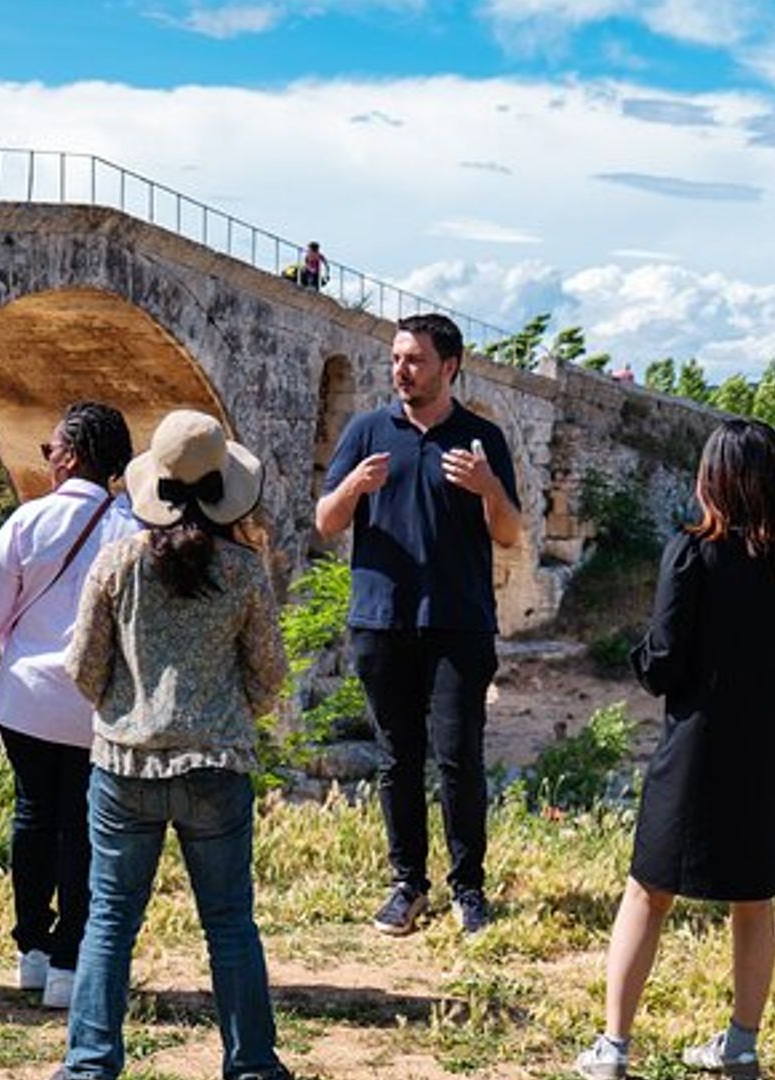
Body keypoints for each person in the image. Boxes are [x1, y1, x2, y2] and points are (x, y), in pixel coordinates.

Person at [574, 418, 775, 1080]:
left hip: (695, 752)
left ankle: (613, 1049)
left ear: (711, 480)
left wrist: (639, 650)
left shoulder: (691, 554)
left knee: (647, 892)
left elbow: (664, 665)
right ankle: (742, 1045)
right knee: (755, 899)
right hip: (773, 752)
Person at [55, 409, 292, 1080]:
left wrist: (123, 709)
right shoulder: (247, 571)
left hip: (124, 765)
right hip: (216, 765)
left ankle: (90, 1063)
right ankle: (251, 1064)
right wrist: (227, 713)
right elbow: (270, 674)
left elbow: (82, 667)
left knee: (109, 922)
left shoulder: (116, 562)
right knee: (229, 924)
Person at [315, 312, 522, 937]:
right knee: (397, 758)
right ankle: (408, 885)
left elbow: (510, 533)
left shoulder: (482, 437)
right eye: (397, 359)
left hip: (459, 623)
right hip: (381, 620)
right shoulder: (366, 430)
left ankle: (470, 888)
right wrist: (353, 484)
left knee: (460, 756)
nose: (401, 370)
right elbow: (326, 521)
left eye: (415, 360)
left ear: (449, 366)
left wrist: (488, 487)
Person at [0, 403, 138, 1009]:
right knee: (82, 827)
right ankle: (67, 962)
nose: (47, 460)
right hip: (96, 705)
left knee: (33, 815)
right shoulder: (133, 530)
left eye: (50, 451)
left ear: (73, 456)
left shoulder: (29, 522)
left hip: (26, 701)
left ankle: (30, 948)